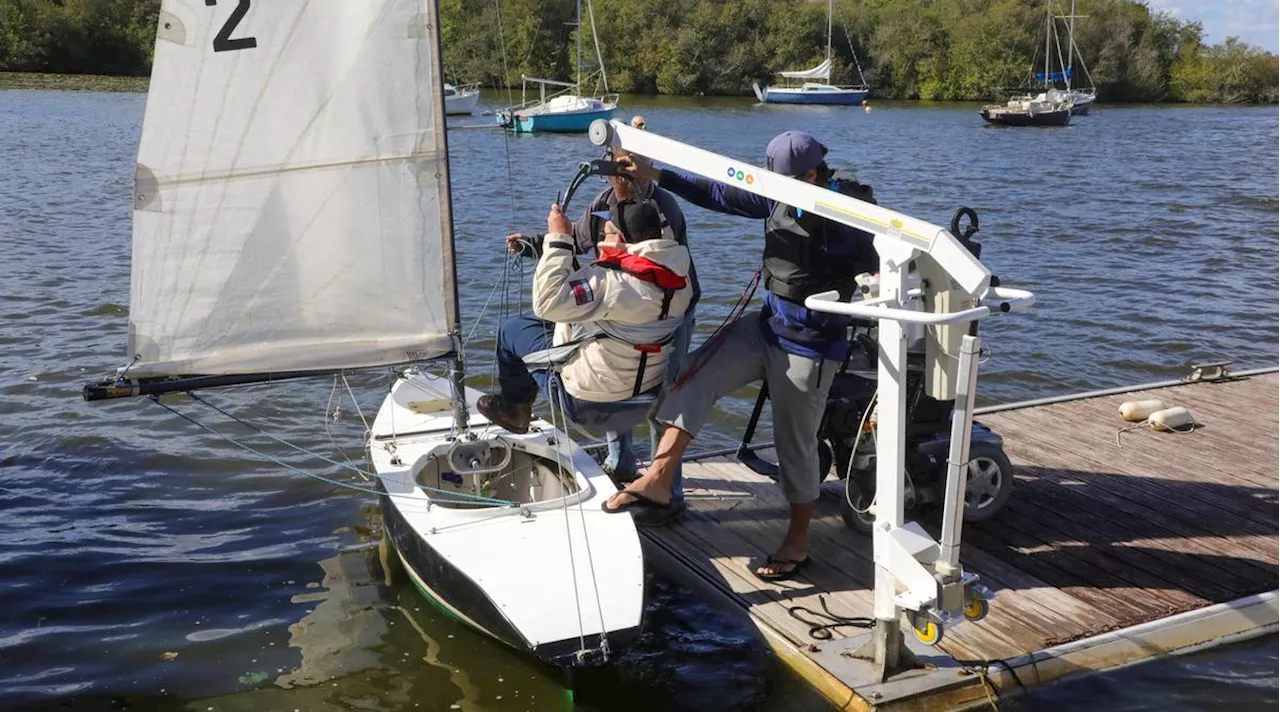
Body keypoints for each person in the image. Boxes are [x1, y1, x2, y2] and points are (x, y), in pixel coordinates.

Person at [602, 131, 879, 581]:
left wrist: (878, 275)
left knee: (795, 442)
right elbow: (716, 192)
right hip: (767, 327)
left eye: (783, 181)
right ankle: (656, 483)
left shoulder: (849, 213)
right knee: (692, 377)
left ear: (810, 175)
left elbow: (878, 261)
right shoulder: (777, 196)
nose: (774, 188)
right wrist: (655, 174)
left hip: (811, 345)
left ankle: (797, 542)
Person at [504, 126, 699, 491]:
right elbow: (577, 239)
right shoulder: (602, 204)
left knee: (665, 395)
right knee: (612, 365)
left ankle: (666, 487)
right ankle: (622, 463)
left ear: (645, 166)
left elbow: (657, 274)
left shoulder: (663, 209)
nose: (622, 173)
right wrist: (534, 243)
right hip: (617, 304)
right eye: (617, 163)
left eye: (631, 164)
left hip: (663, 313)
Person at [478, 202, 695, 464]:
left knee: (512, 330)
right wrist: (540, 245)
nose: (603, 238)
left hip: (586, 404)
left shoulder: (610, 284)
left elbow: (547, 304)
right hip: (642, 398)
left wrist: (559, 240)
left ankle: (515, 411)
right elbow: (607, 289)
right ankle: (623, 463)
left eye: (608, 232)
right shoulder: (680, 282)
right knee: (610, 347)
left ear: (622, 239)